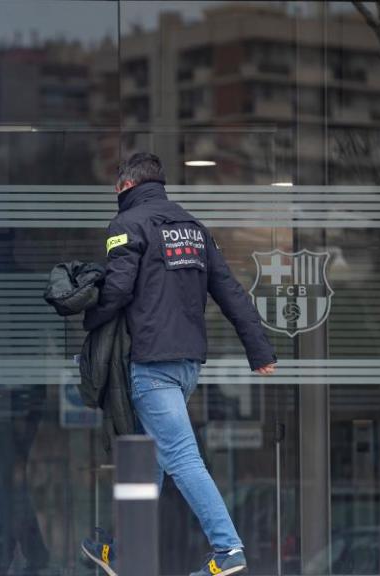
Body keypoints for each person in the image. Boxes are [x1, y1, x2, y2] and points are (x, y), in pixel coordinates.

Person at [80, 153, 277, 576]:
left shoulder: (127, 225)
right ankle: (125, 549)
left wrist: (88, 319)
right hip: (187, 364)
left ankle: (228, 551)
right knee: (152, 459)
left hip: (151, 364)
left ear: (124, 187)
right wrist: (258, 350)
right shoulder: (194, 229)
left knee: (182, 458)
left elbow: (116, 289)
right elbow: (230, 292)